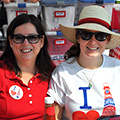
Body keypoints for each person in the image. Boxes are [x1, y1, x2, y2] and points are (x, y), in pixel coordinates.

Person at [47, 5, 120, 120]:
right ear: (78, 37)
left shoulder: (117, 68)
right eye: (86, 35)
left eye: (100, 36)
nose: (93, 42)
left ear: (107, 40)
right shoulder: (62, 73)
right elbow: (54, 117)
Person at [0, 14, 55, 119]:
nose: (26, 43)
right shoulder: (1, 73)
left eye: (33, 37)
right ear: (11, 41)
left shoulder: (52, 72)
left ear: (42, 41)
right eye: (18, 38)